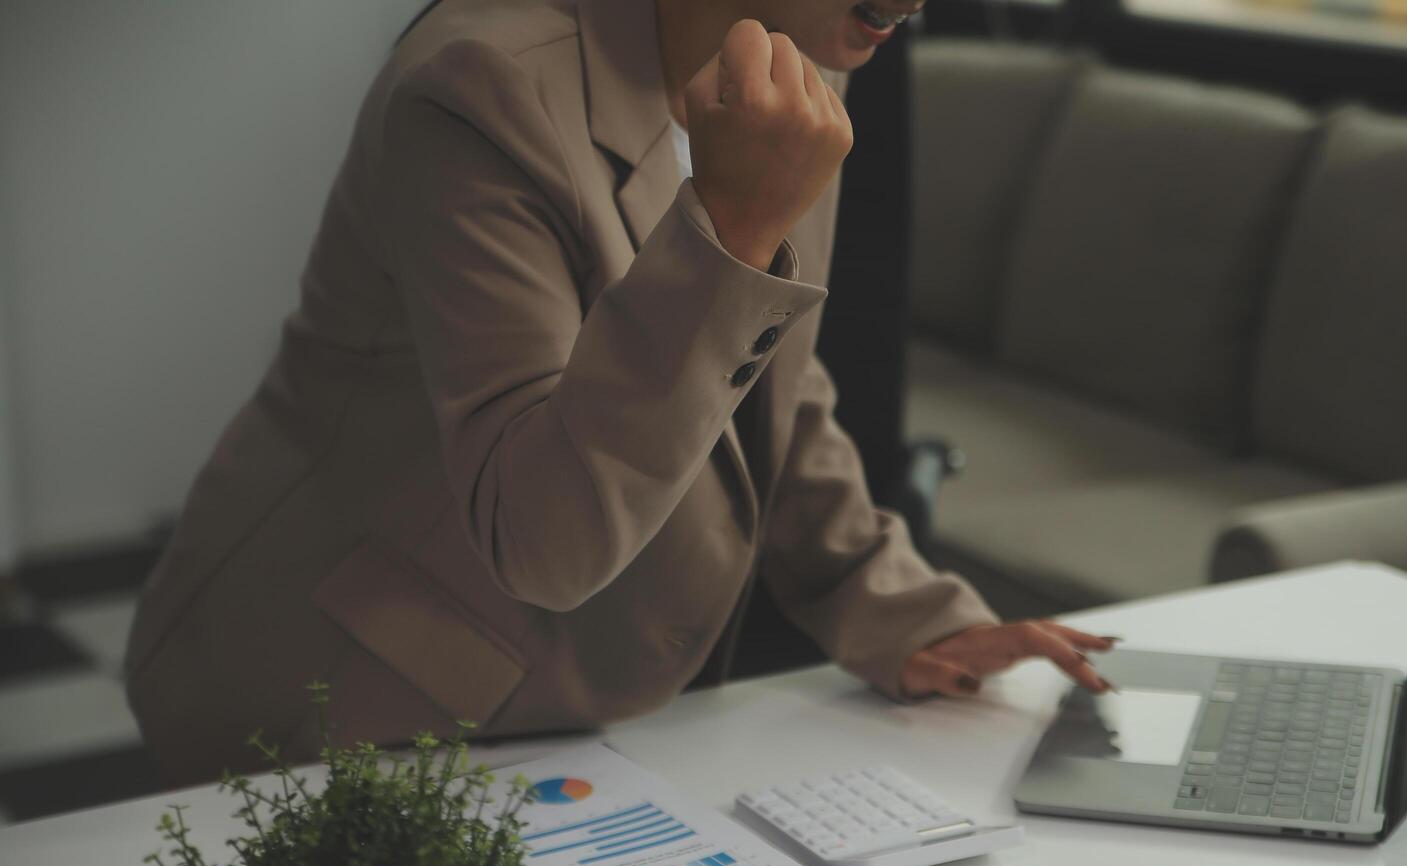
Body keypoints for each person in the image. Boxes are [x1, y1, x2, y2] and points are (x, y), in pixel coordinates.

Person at [125, 0, 1116, 787]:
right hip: (338, 698)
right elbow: (538, 536)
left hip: (556, 721)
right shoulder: (480, 86)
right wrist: (733, 232)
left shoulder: (800, 80)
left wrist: (903, 612)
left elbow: (771, 384)